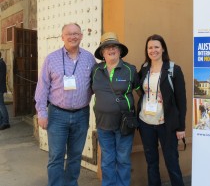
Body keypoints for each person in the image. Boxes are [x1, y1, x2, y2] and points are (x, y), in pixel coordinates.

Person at [34, 23, 96, 186]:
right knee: (56, 156)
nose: (72, 36)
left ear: (81, 36)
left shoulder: (89, 58)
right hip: (57, 114)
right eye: (68, 34)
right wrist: (41, 112)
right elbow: (42, 87)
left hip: (82, 114)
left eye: (76, 33)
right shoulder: (51, 58)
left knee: (75, 156)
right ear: (62, 37)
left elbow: (97, 84)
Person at [138, 34, 186, 186]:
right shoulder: (144, 68)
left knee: (172, 162)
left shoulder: (174, 69)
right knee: (151, 163)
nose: (153, 50)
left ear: (163, 48)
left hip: (167, 123)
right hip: (145, 122)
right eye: (150, 47)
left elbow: (181, 101)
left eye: (156, 47)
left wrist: (181, 127)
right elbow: (139, 89)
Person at [91, 32, 140, 186]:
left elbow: (141, 92)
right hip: (103, 124)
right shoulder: (96, 70)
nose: (111, 50)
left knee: (123, 160)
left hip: (124, 124)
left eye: (114, 47)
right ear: (102, 52)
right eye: (107, 47)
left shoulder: (130, 69)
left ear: (119, 50)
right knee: (107, 160)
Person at [0, 51, 10, 130]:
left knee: (1, 105)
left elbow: (1, 77)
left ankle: (6, 122)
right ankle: (2, 121)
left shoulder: (1, 63)